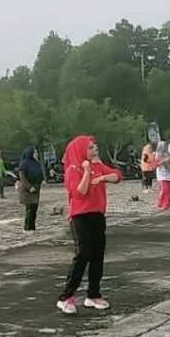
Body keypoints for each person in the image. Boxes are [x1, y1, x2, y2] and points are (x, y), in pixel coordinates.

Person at [57, 135, 122, 315]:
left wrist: (103, 177)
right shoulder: (72, 170)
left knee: (97, 255)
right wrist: (86, 172)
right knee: (83, 255)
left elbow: (117, 176)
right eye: (90, 147)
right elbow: (80, 192)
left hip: (97, 216)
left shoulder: (98, 166)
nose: (94, 150)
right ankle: (66, 297)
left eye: (95, 147)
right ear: (81, 150)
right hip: (80, 217)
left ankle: (93, 294)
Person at [18, 146, 46, 232]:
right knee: (30, 209)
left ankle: (32, 227)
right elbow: (22, 177)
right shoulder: (24, 163)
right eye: (35, 152)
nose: (36, 154)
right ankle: (27, 228)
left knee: (34, 208)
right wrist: (29, 187)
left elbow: (39, 173)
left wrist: (43, 180)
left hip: (36, 188)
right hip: (27, 189)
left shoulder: (36, 162)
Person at [154, 142, 170, 211]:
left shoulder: (168, 153)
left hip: (168, 173)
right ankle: (160, 203)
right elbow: (155, 165)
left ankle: (167, 205)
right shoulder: (158, 155)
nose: (165, 147)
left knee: (169, 190)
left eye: (166, 146)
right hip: (161, 174)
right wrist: (164, 161)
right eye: (164, 146)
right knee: (164, 190)